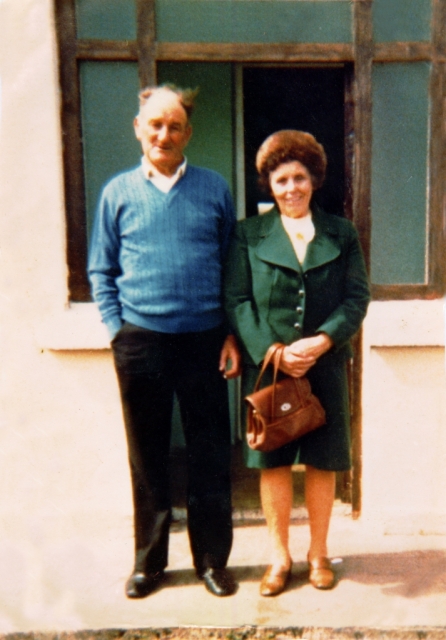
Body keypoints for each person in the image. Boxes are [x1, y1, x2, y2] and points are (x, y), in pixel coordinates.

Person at [88, 85, 241, 598]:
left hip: (203, 340)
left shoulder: (214, 189)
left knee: (209, 453)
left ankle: (213, 563)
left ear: (188, 133)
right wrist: (118, 331)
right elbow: (100, 270)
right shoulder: (117, 193)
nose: (164, 134)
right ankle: (149, 564)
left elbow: (230, 268)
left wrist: (229, 335)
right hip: (142, 342)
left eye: (174, 125)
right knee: (147, 456)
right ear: (138, 128)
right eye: (155, 124)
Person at [224, 130, 370, 596]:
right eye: (282, 179)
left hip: (324, 366)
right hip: (269, 367)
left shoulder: (341, 233)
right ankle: (279, 555)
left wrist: (324, 341)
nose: (292, 188)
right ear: (269, 184)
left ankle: (319, 552)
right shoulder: (249, 234)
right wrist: (275, 351)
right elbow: (238, 298)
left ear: (314, 181)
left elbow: (355, 297)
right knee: (274, 459)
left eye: (300, 178)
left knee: (325, 461)